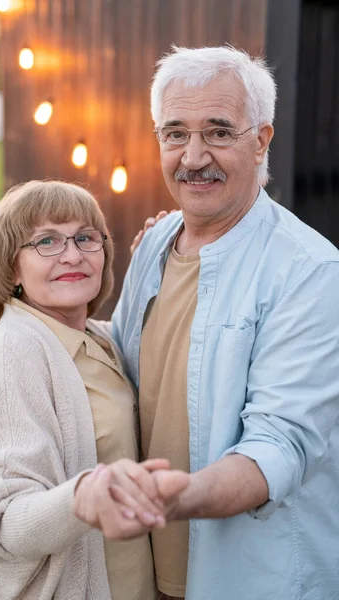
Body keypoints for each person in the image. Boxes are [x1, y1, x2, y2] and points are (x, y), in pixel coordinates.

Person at [106, 46, 339, 600]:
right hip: (149, 571)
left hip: (253, 577)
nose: (192, 157)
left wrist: (169, 498)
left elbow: (280, 445)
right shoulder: (156, 243)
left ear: (261, 139)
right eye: (175, 133)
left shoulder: (310, 272)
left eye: (218, 131)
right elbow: (118, 362)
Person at [0, 180, 188, 600]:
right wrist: (84, 496)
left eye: (86, 237)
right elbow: (4, 522)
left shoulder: (98, 340)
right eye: (45, 241)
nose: (73, 254)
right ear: (11, 268)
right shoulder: (14, 357)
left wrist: (161, 257)